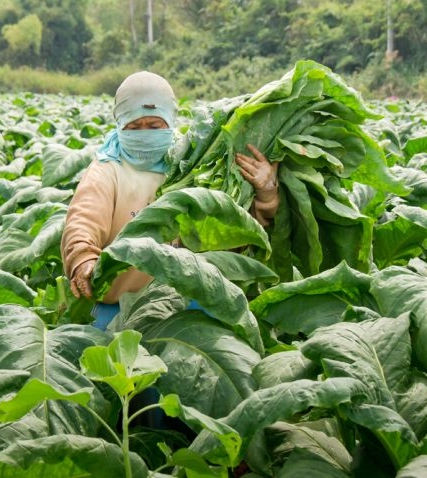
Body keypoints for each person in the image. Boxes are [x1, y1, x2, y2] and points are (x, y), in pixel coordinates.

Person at [60, 71, 279, 330]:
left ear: (170, 121)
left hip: (185, 302)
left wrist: (267, 193)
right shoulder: (107, 170)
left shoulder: (194, 165)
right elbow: (82, 221)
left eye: (154, 126)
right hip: (120, 306)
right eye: (134, 126)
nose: (144, 134)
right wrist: (83, 259)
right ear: (119, 124)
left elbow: (230, 231)